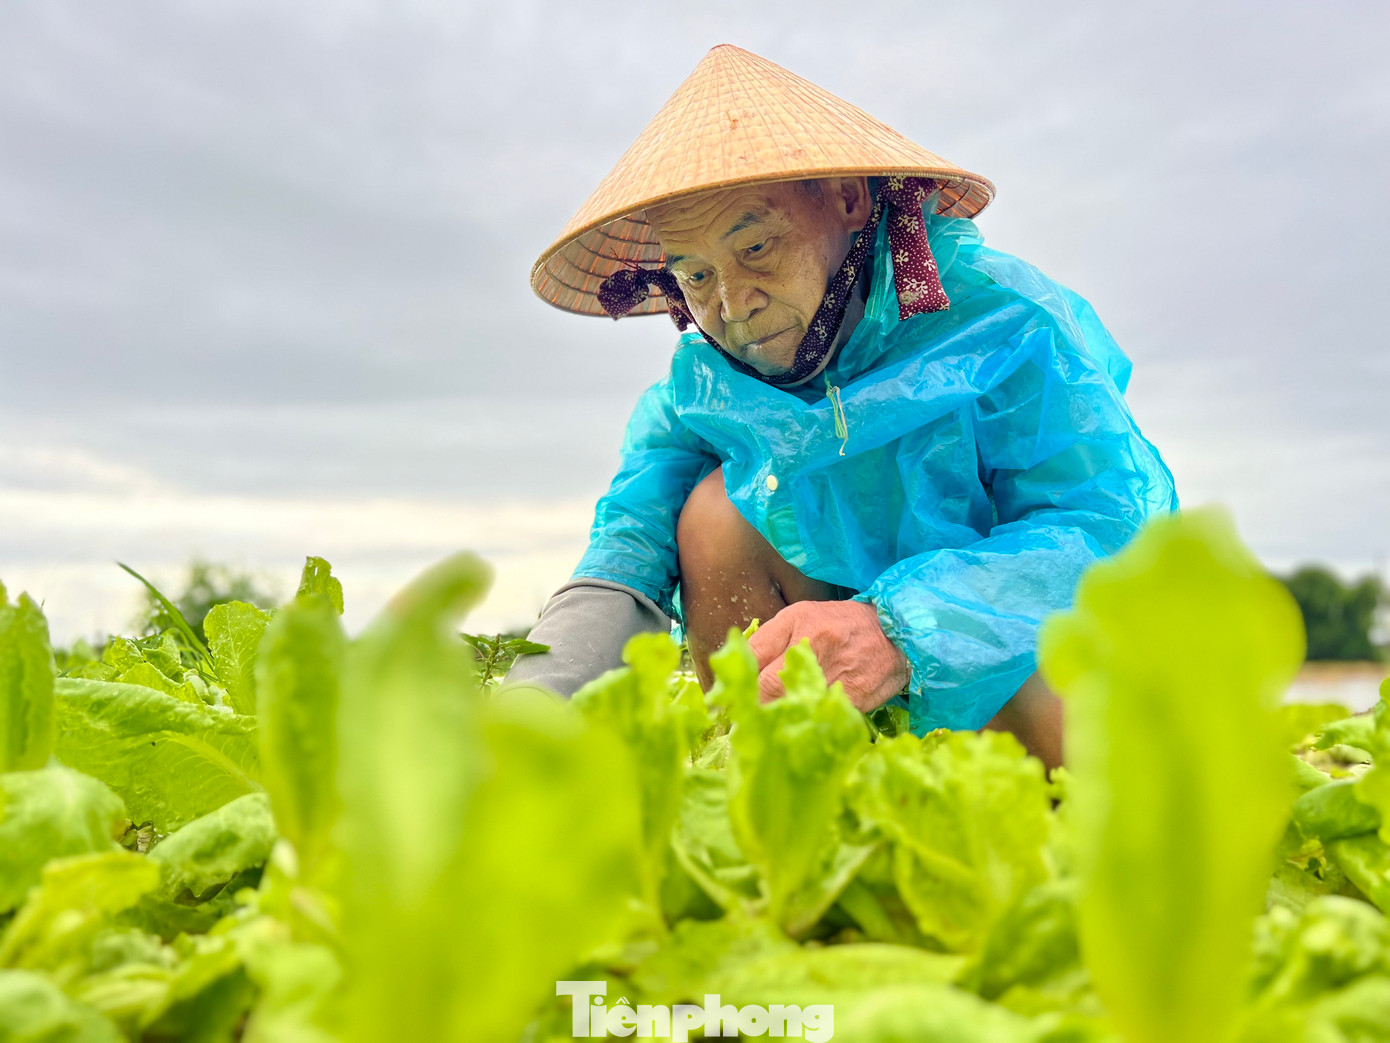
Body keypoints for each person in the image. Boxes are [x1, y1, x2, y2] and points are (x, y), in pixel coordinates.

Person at [508, 45, 1177, 770]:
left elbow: (1109, 526)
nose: (733, 304)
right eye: (697, 275)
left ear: (849, 201)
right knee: (710, 513)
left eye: (756, 246)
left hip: (1001, 671)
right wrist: (528, 711)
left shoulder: (1004, 321)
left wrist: (902, 628)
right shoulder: (707, 386)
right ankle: (780, 780)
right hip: (835, 698)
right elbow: (626, 550)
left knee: (1051, 691)